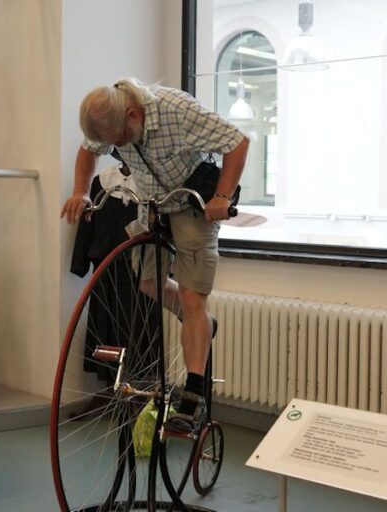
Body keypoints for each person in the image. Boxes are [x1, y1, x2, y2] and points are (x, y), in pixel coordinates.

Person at [61, 78, 249, 435]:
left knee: (193, 298)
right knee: (148, 284)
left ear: (133, 114)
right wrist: (81, 191)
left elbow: (238, 142)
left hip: (194, 205)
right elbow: (89, 149)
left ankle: (192, 398)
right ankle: (202, 326)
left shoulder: (177, 111)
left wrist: (222, 196)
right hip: (152, 205)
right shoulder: (110, 114)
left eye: (119, 139)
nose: (116, 146)